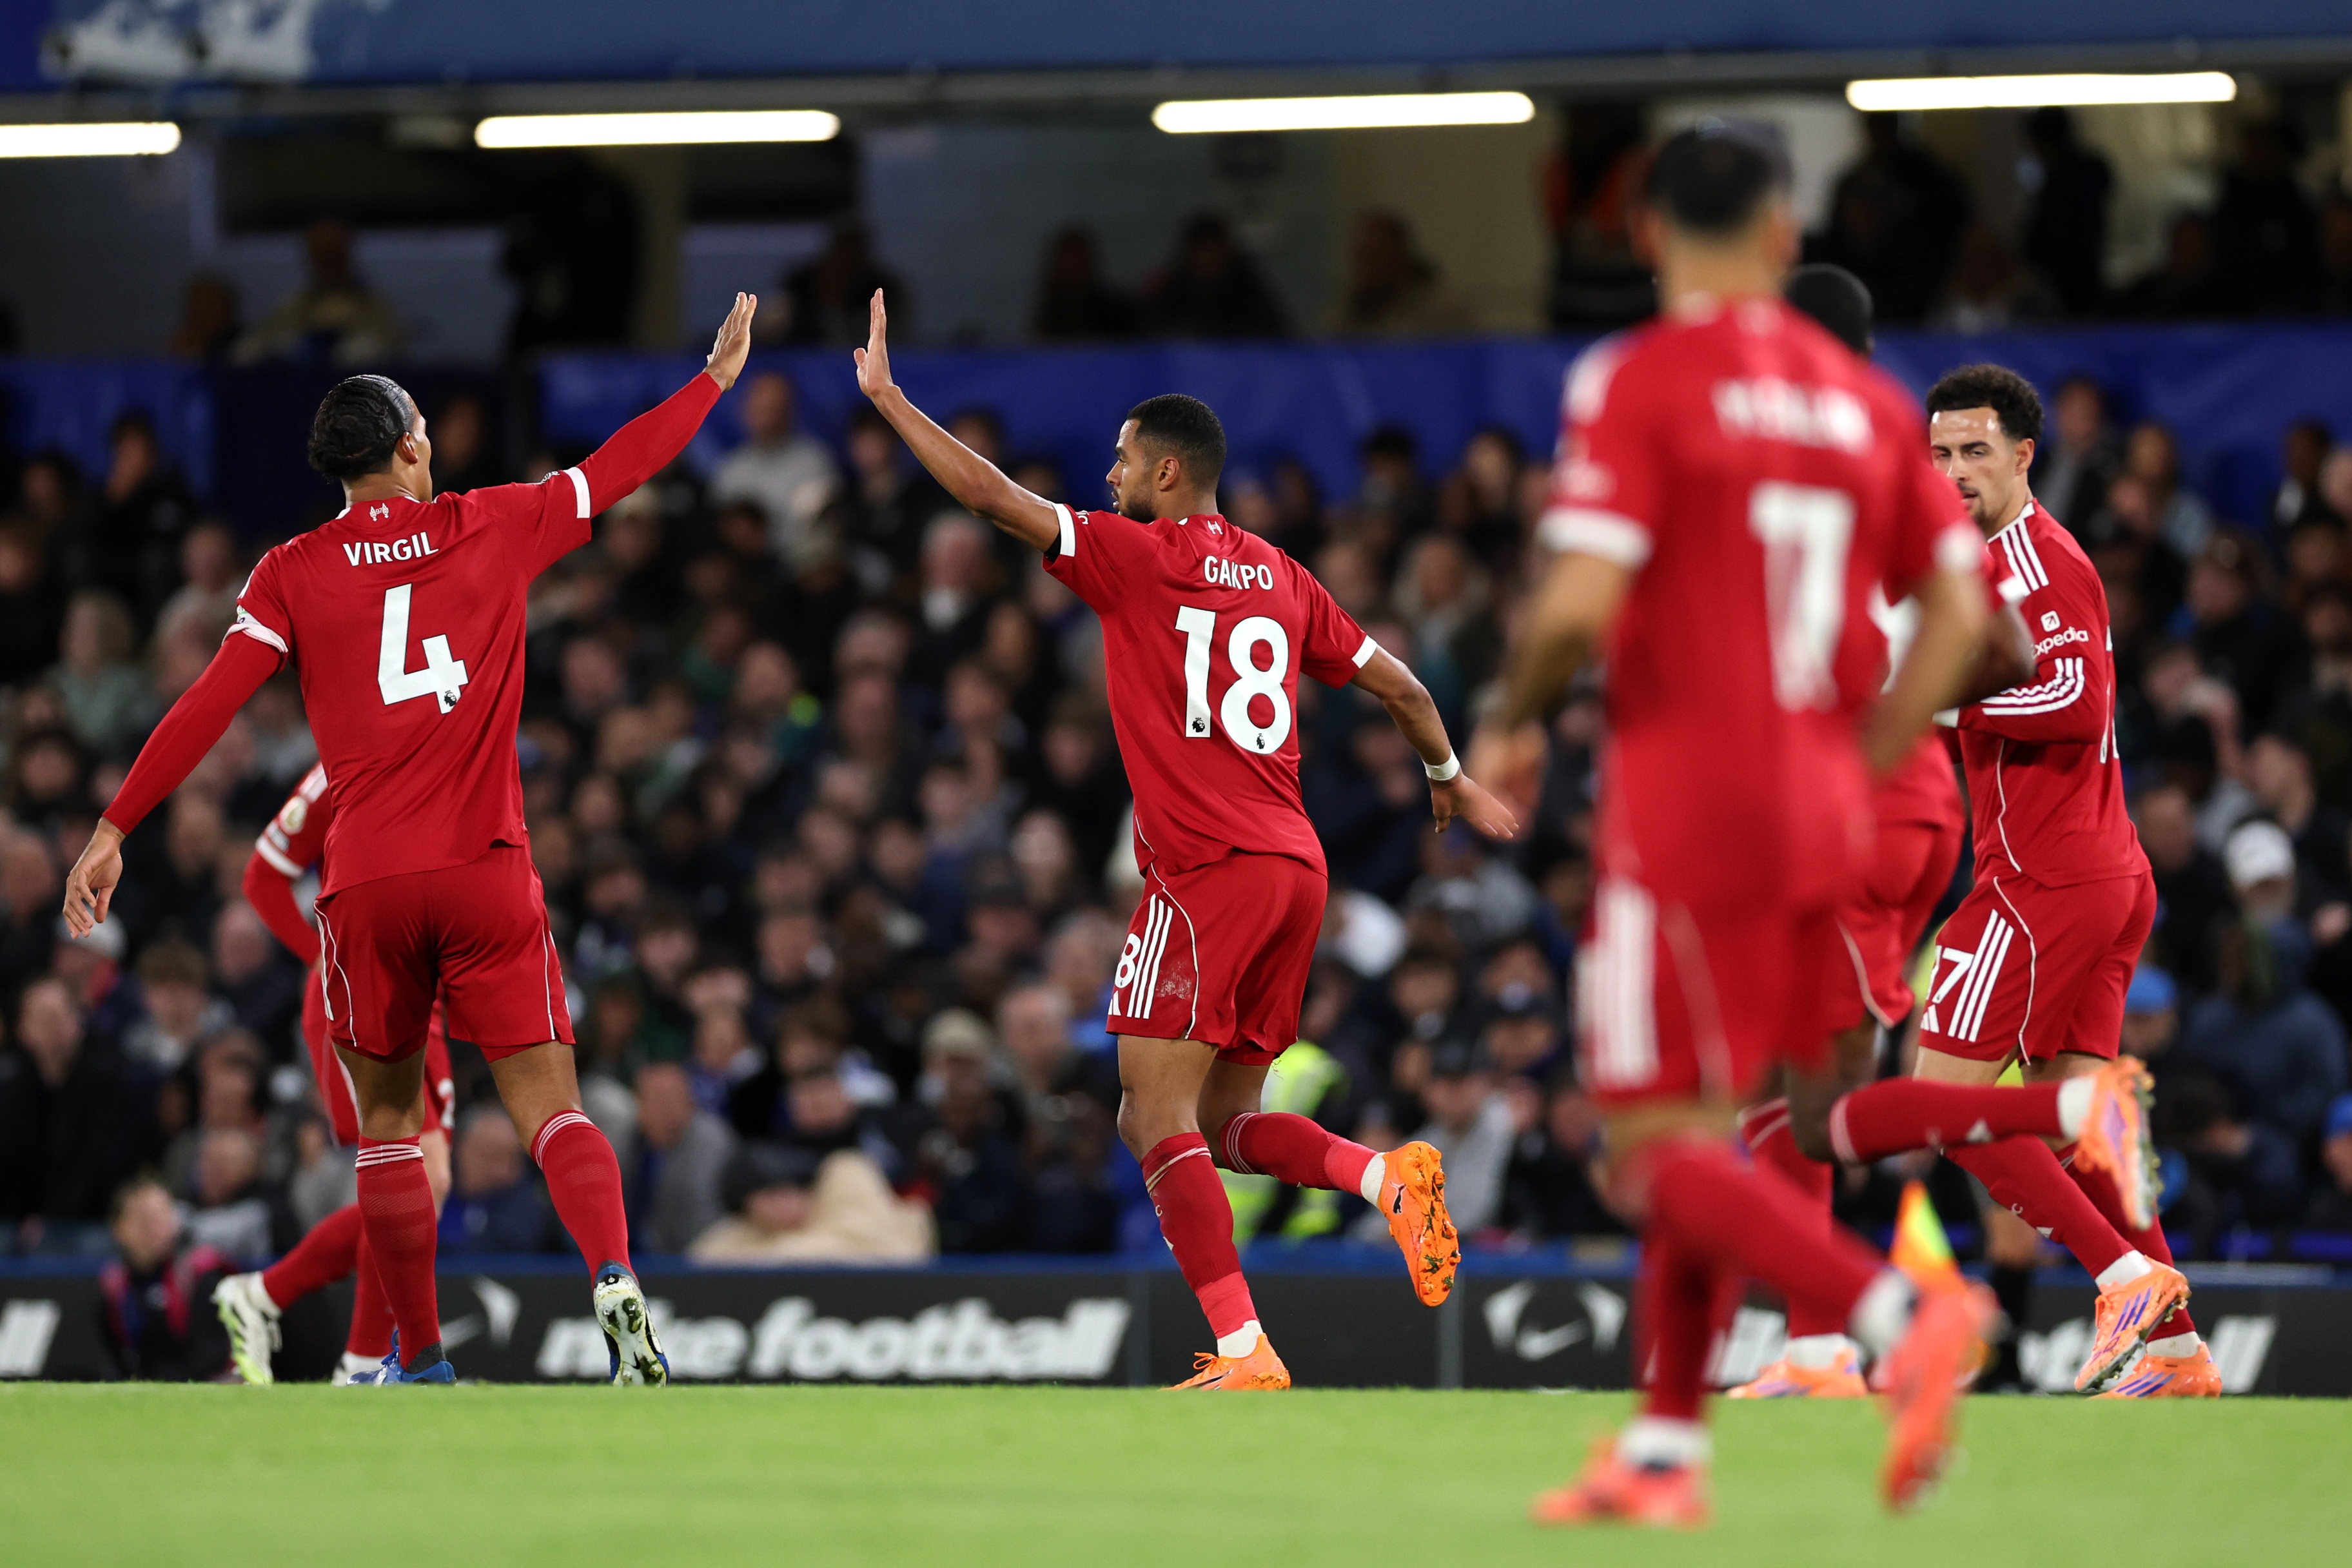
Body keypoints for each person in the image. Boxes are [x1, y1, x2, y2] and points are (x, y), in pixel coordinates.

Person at [63, 293, 761, 1386]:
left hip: (366, 888)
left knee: (388, 1130)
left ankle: (419, 1362)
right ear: (408, 446)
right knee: (552, 1107)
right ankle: (616, 1277)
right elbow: (621, 466)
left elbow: (207, 702)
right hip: (486, 869)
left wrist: (114, 827)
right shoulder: (492, 522)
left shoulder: (289, 571)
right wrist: (712, 383)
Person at [1466, 124, 1997, 1524]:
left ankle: (1901, 1312)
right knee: (1713, 1123)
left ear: (1643, 237)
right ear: (1780, 235)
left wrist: (1513, 714)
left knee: (1650, 1145)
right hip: (1824, 810)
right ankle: (1664, 1451)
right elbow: (1962, 621)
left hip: (1686, 802)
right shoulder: (1866, 400)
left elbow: (1579, 602)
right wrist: (1859, 752)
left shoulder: (1638, 377)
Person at [855, 286, 1517, 1388]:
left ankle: (1246, 1347)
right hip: (1294, 868)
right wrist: (1446, 774)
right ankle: (1381, 1179)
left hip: (1206, 869)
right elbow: (1398, 685)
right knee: (1222, 1119)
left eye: (1120, 459)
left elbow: (987, 496)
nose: (1106, 475)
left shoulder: (1133, 555)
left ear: (1167, 471)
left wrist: (887, 399)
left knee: (1144, 1112)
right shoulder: (1283, 576)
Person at [1727, 261, 2101, 1405]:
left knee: (1811, 1105)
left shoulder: (1830, 462)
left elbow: (2011, 660)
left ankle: (1861, 1331)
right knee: (1787, 1101)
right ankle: (1821, 1346)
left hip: (1862, 803)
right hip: (1893, 808)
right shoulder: (1899, 466)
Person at [1890, 363, 2216, 1397]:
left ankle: (2124, 1277)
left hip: (2048, 885)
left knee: (1938, 1106)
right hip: (2101, 873)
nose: (1953, 473)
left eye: (1975, 452)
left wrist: (1947, 708)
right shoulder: (1978, 565)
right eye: (1939, 454)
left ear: (2025, 456)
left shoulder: (2037, 558)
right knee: (2080, 1123)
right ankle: (2172, 1352)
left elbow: (2076, 701)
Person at [209, 763, 458, 1385]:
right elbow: (263, 876)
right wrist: (322, 958)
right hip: (358, 994)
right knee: (415, 1174)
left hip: (419, 995)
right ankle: (362, 1360)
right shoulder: (345, 764)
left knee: (429, 1182)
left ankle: (265, 1296)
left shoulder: (451, 751)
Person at [98, 1176, 234, 1380]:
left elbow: (214, 1356)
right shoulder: (114, 1286)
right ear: (119, 1228)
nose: (156, 1229)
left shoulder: (200, 1275)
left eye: (163, 1216)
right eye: (144, 1219)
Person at [709, 371, 841, 572]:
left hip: (801, 568)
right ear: (746, 410)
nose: (768, 416)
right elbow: (722, 530)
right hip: (741, 570)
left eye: (774, 408)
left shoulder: (814, 461)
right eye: (762, 408)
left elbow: (823, 528)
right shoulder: (731, 469)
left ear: (790, 409)